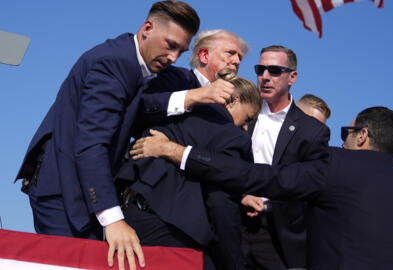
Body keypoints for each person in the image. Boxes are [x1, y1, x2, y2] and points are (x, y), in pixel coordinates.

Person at [138, 106, 393, 269]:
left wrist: (177, 152)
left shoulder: (333, 167)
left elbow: (257, 177)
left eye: (348, 131)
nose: (343, 138)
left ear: (362, 135)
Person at [14, 2, 211, 270]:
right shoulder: (113, 63)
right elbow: (92, 144)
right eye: (170, 45)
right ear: (147, 28)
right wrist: (113, 218)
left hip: (82, 193)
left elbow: (138, 106)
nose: (174, 57)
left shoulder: (130, 62)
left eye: (181, 51)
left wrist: (190, 97)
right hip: (63, 192)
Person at [119, 68, 261, 270]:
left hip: (128, 216)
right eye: (248, 118)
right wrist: (233, 261)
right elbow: (220, 201)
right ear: (234, 100)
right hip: (174, 234)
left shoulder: (179, 111)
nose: (246, 128)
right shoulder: (234, 137)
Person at [236, 45, 329, 269]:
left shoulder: (312, 131)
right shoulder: (239, 114)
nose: (265, 77)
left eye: (275, 71)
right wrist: (240, 194)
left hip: (279, 237)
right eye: (260, 70)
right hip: (232, 224)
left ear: (292, 77)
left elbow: (310, 185)